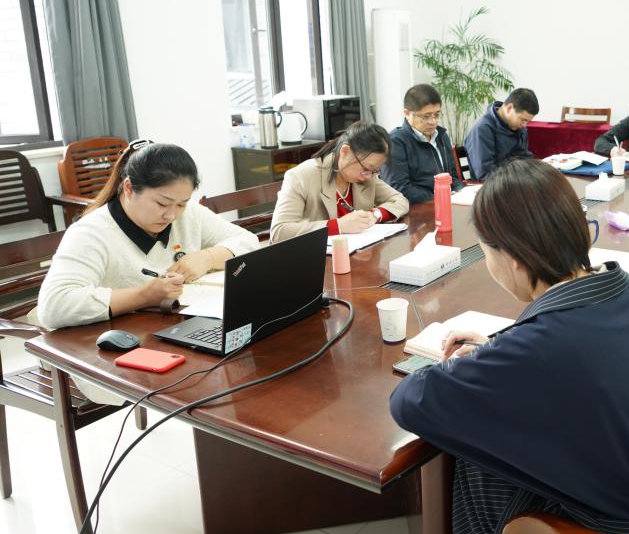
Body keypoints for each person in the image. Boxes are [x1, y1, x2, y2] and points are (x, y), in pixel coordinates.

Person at [390, 158, 629, 534]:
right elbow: (578, 362)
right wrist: (500, 350)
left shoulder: (540, 347)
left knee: (478, 464)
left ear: (512, 258)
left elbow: (410, 401)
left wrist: (496, 359)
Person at [34, 140, 260, 404]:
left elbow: (247, 240)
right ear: (129, 188)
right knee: (207, 381)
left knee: (235, 366)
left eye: (182, 204)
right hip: (106, 351)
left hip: (170, 332)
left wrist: (207, 257)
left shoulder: (187, 215)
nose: (172, 215)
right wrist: (144, 295)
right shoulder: (91, 233)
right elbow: (54, 305)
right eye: (162, 203)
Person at [270, 121, 409, 243]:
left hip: (358, 254)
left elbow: (400, 200)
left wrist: (374, 215)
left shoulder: (366, 176)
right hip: (316, 258)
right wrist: (338, 226)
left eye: (375, 170)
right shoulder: (301, 176)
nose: (369, 176)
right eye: (367, 168)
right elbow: (279, 231)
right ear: (345, 151)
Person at [381, 84, 465, 203]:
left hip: (447, 203)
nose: (433, 122)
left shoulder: (441, 136)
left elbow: (452, 177)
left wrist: (462, 193)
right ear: (407, 113)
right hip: (418, 208)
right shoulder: (395, 142)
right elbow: (399, 188)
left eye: (437, 115)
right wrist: (439, 197)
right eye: (426, 116)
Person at [462, 88, 538, 179]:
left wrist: (538, 167)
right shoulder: (482, 129)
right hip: (492, 185)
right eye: (523, 120)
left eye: (527, 121)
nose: (524, 125)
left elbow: (524, 158)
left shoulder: (519, 128)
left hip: (515, 181)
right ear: (509, 108)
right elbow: (485, 174)